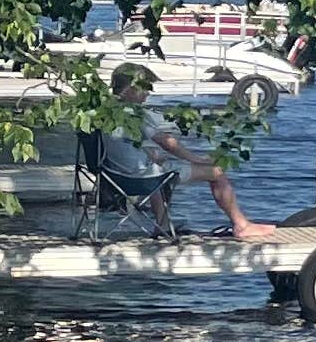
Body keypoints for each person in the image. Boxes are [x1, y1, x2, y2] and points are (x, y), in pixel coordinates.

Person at [92, 63, 280, 239]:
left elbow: (124, 143)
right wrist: (197, 159)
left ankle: (162, 225)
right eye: (145, 88)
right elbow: (168, 142)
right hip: (140, 178)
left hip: (115, 176)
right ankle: (242, 225)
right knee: (217, 172)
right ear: (131, 89)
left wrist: (151, 155)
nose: (148, 93)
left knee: (159, 166)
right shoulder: (135, 113)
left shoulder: (104, 111)